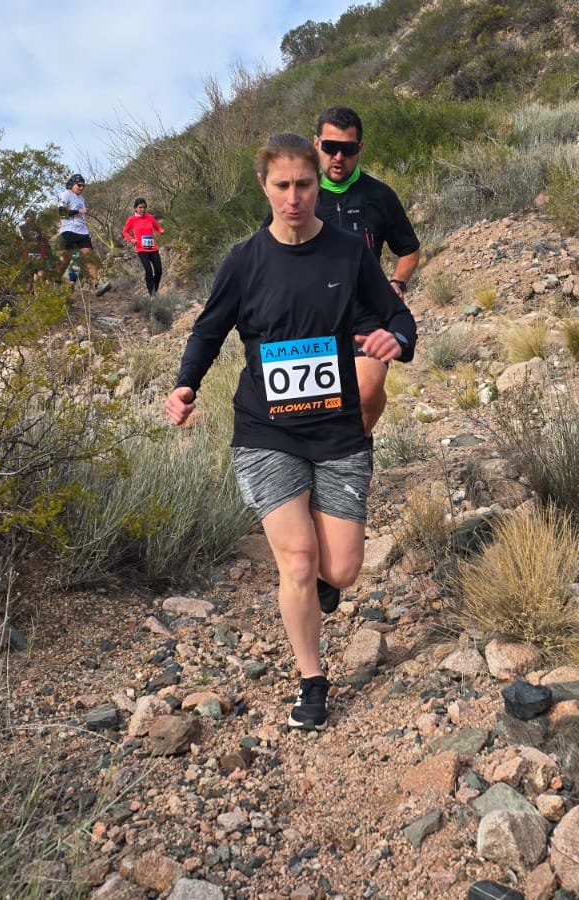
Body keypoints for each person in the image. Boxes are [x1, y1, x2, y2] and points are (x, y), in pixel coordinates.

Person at [164, 133, 416, 731]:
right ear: (264, 186)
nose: (294, 197)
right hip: (266, 432)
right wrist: (185, 385)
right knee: (298, 561)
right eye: (282, 185)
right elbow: (208, 331)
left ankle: (323, 588)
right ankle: (312, 682)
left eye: (304, 184)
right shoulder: (244, 260)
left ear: (317, 184)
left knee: (342, 569)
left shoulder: (348, 253)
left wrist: (397, 339)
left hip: (337, 430)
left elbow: (397, 315)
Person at [312, 106, 421, 435]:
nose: (338, 156)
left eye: (347, 148)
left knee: (365, 392)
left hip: (367, 315)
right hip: (312, 318)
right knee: (316, 408)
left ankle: (354, 449)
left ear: (360, 147)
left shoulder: (379, 196)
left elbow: (409, 249)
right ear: (316, 144)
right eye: (331, 147)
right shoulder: (299, 197)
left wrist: (398, 282)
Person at [56, 173, 112, 296]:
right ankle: (55, 280)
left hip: (82, 232)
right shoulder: (66, 194)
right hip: (69, 230)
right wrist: (79, 211)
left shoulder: (81, 199)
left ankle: (97, 285)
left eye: (83, 186)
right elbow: (62, 213)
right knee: (65, 258)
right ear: (72, 184)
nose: (81, 188)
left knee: (89, 256)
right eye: (79, 185)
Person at [121, 197, 165, 296]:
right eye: (140, 207)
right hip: (141, 249)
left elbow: (157, 227)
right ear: (135, 208)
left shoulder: (150, 217)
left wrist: (161, 231)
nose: (142, 209)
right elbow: (125, 232)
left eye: (144, 207)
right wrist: (131, 239)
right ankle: (152, 294)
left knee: (158, 271)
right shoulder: (131, 219)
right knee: (149, 271)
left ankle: (155, 289)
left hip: (153, 248)